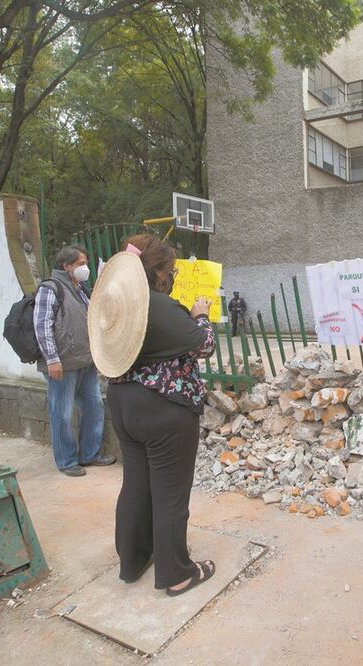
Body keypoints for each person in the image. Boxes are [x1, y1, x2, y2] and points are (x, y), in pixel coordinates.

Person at [107, 235, 218, 596]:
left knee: (136, 486)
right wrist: (201, 315)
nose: (172, 276)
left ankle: (133, 561)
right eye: (169, 270)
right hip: (163, 408)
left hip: (123, 403)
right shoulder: (158, 305)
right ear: (155, 272)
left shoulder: (117, 303)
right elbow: (205, 345)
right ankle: (176, 574)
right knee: (170, 494)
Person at [34, 245, 114, 476]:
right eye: (80, 264)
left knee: (94, 406)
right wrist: (51, 359)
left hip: (85, 361)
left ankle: (90, 454)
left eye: (85, 263)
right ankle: (67, 461)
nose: (85, 268)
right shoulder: (51, 288)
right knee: (63, 411)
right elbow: (42, 325)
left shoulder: (80, 289)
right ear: (66, 266)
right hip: (62, 363)